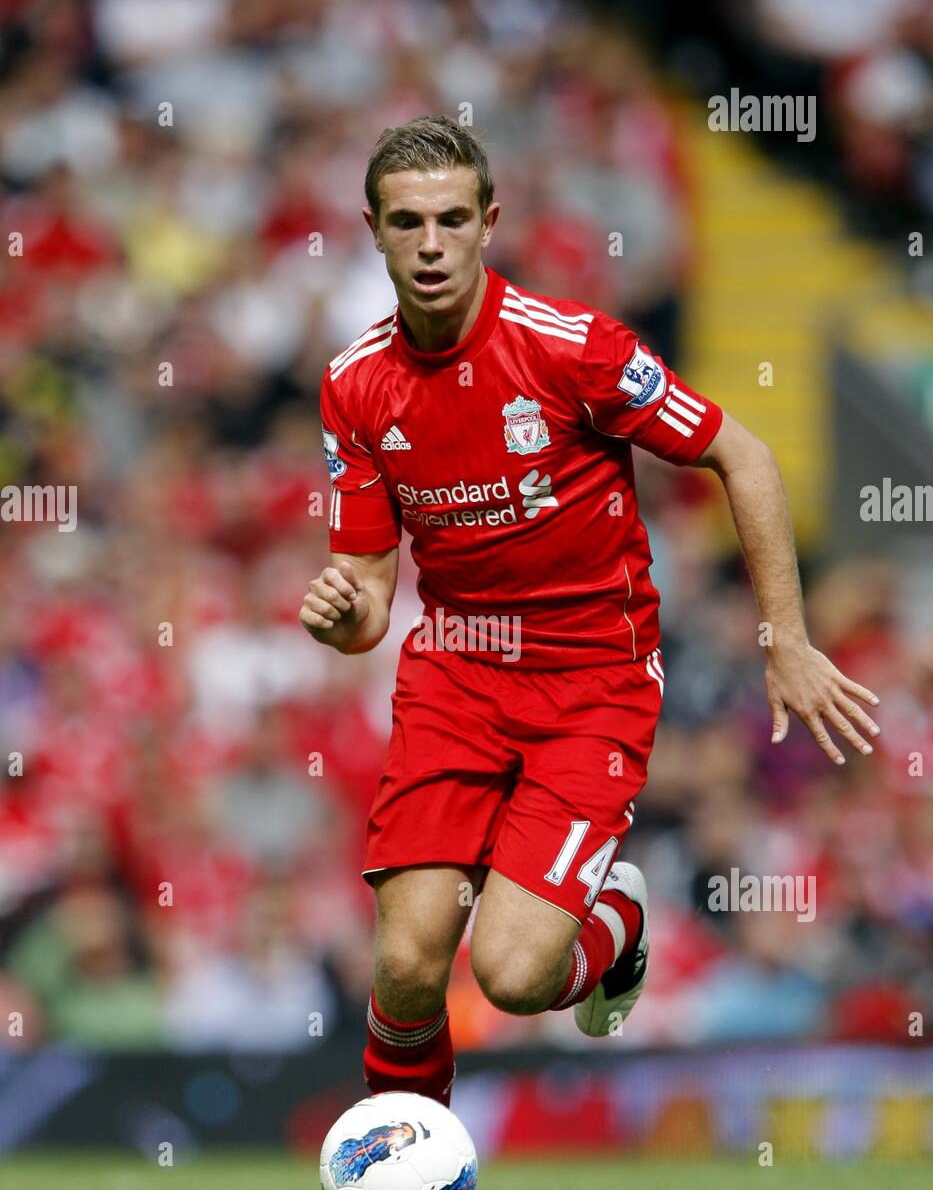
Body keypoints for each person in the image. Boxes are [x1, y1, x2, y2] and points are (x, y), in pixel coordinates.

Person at [299, 112, 879, 1126]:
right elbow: (366, 600)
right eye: (405, 222)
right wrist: (339, 611)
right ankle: (405, 1171)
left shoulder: (571, 350)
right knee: (403, 960)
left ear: (488, 220)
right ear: (372, 229)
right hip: (453, 675)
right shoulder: (354, 385)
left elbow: (742, 454)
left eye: (448, 219)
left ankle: (616, 922)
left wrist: (782, 639)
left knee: (515, 977)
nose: (429, 243)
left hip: (591, 684)